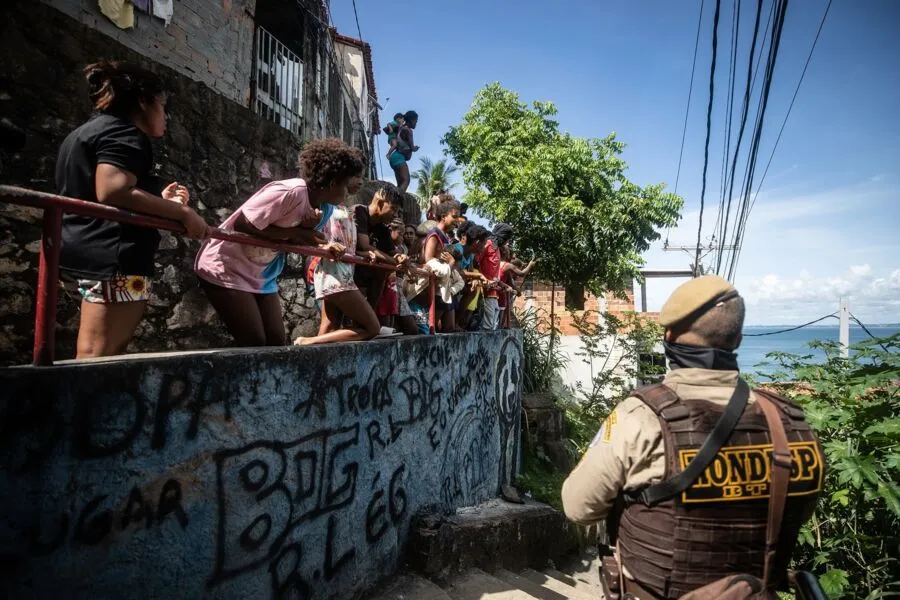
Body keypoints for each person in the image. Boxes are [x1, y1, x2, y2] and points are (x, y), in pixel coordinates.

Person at [561, 276, 825, 599]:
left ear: (669, 336)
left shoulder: (640, 417)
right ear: (738, 340)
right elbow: (796, 513)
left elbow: (577, 506)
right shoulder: (790, 424)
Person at [56, 60, 211, 358]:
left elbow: (102, 189)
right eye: (163, 106)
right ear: (144, 101)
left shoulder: (87, 132)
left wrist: (162, 201)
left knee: (95, 353)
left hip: (77, 252)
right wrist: (183, 213)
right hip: (114, 259)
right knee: (99, 355)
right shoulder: (126, 134)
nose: (165, 116)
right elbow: (112, 190)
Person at [195, 138, 364, 346]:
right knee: (254, 341)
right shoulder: (290, 192)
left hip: (260, 274)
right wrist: (299, 232)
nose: (348, 193)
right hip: (226, 264)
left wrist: (314, 237)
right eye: (346, 186)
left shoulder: (325, 209)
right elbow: (242, 223)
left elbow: (299, 239)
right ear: (332, 184)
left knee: (276, 341)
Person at [294, 200, 381, 346]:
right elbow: (311, 236)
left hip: (342, 271)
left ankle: (315, 360)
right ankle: (309, 341)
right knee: (372, 328)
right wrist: (325, 245)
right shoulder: (325, 207)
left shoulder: (346, 210)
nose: (359, 181)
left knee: (329, 328)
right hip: (335, 274)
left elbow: (344, 245)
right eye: (355, 176)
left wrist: (362, 253)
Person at [353, 183, 405, 309]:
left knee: (382, 271)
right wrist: (394, 261)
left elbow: (391, 251)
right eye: (393, 209)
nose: (395, 215)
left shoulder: (382, 228)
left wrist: (401, 258)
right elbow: (365, 246)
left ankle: (371, 312)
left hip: (360, 278)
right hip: (342, 276)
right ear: (381, 203)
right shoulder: (359, 212)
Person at [420, 199, 461, 332]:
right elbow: (428, 258)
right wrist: (449, 264)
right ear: (443, 216)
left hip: (445, 283)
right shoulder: (435, 234)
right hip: (436, 284)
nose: (457, 220)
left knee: (449, 326)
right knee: (433, 324)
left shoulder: (446, 237)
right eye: (454, 216)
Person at [477, 223, 513, 331]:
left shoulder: (497, 248)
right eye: (506, 238)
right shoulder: (487, 244)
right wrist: (483, 279)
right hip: (485, 288)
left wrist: (502, 284)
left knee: (494, 318)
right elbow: (476, 262)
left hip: (494, 290)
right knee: (488, 323)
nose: (507, 242)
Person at [388, 110, 418, 192]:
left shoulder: (400, 128)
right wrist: (415, 148)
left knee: (400, 185)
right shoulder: (408, 130)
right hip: (399, 158)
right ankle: (396, 200)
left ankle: (396, 200)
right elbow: (412, 148)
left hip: (394, 157)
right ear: (411, 120)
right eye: (415, 121)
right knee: (406, 180)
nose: (416, 123)